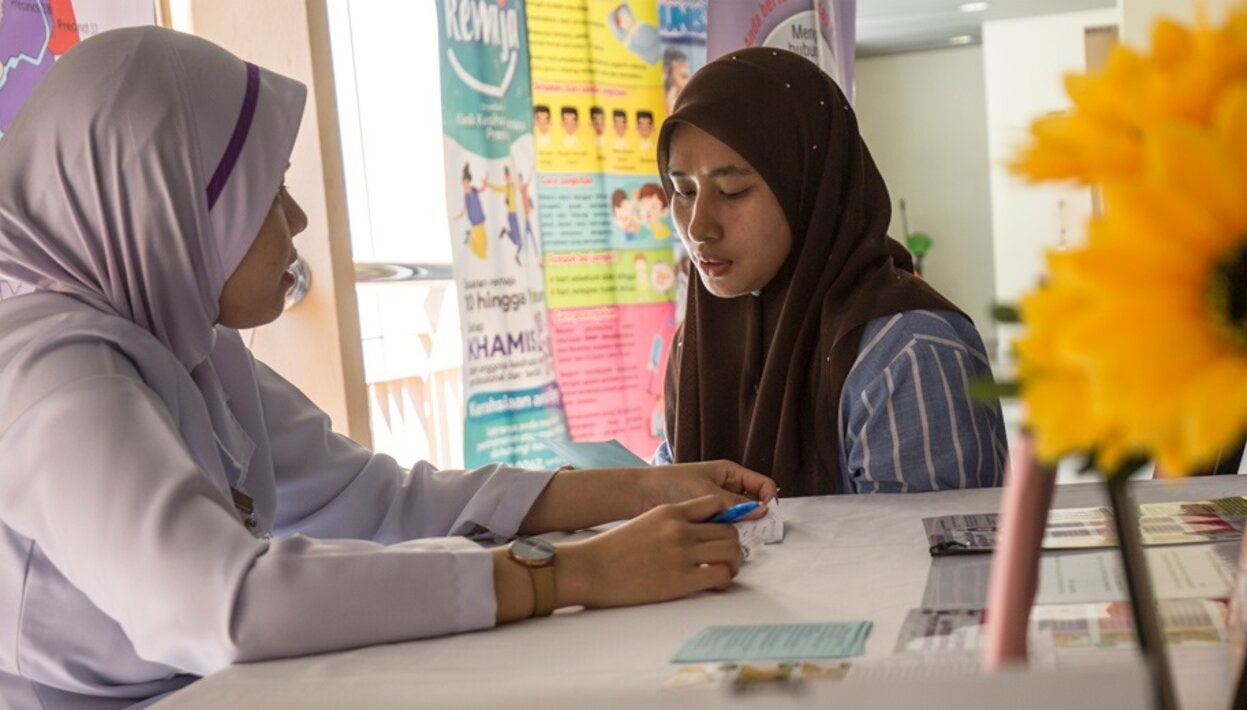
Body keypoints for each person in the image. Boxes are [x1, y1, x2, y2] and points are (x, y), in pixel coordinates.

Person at [0, 27, 775, 709]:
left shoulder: (188, 348)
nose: (297, 219)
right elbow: (224, 605)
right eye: (268, 194)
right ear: (164, 209)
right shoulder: (57, 374)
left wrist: (645, 487)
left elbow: (380, 501)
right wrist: (568, 575)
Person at [653, 48, 1008, 496]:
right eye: (682, 191)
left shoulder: (907, 352)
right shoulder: (695, 344)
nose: (699, 227)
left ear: (807, 189)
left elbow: (928, 558)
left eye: (732, 191)